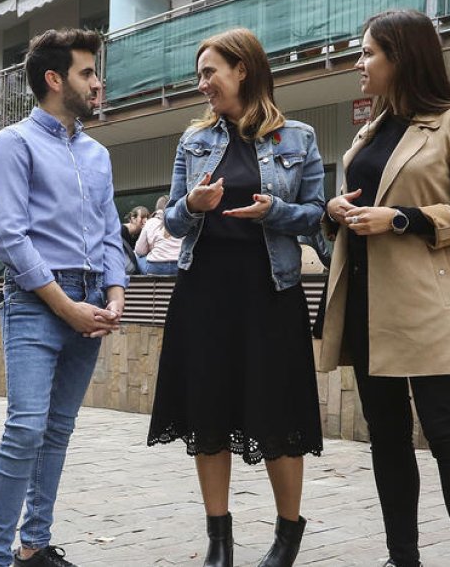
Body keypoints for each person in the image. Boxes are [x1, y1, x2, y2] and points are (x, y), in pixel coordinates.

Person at [316, 9, 450, 567]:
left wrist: (401, 219)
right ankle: (404, 558)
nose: (359, 63)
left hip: (427, 309)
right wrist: (334, 210)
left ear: (402, 57)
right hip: (368, 306)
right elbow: (355, 209)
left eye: (368, 52)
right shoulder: (369, 132)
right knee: (388, 439)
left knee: (448, 434)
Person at [146, 28, 324, 567]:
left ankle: (288, 533)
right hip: (205, 294)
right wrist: (194, 205)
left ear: (242, 69)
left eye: (209, 73)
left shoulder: (298, 138)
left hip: (271, 295)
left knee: (279, 415)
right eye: (200, 75)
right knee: (208, 414)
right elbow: (170, 217)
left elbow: (316, 215)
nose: (202, 85)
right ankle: (218, 539)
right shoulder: (192, 141)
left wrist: (275, 212)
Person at [0, 28, 126, 567]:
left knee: (58, 430)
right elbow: (10, 238)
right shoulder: (12, 144)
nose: (97, 83)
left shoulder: (98, 155)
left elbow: (111, 232)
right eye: (87, 72)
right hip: (36, 301)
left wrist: (114, 295)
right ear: (53, 79)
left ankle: (34, 546)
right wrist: (65, 306)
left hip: (91, 298)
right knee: (26, 428)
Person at [134, 195, 183, 276]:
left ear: (157, 209)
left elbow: (140, 251)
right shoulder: (183, 221)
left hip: (155, 268)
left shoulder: (151, 222)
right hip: (179, 266)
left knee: (136, 255)